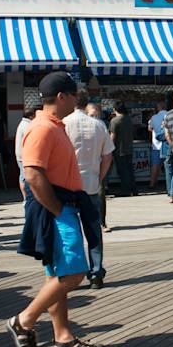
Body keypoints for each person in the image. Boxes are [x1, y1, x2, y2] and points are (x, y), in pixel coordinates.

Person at [10, 72, 103, 347]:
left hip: (61, 205)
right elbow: (32, 173)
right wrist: (56, 209)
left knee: (57, 274)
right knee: (75, 272)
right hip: (57, 208)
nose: (77, 100)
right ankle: (23, 320)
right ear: (62, 96)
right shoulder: (42, 128)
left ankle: (63, 338)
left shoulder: (53, 126)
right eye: (74, 94)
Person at [64, 90, 114, 289]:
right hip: (92, 185)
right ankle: (96, 273)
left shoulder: (63, 124)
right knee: (93, 231)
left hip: (68, 185)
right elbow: (108, 155)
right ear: (86, 104)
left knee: (70, 232)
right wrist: (99, 176)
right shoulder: (99, 125)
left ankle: (72, 272)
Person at [109, 101, 137, 197]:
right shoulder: (128, 119)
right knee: (130, 170)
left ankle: (125, 190)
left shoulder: (114, 121)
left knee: (122, 171)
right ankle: (134, 188)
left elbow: (112, 136)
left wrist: (109, 148)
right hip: (129, 148)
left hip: (119, 149)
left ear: (115, 109)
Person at [15, 106, 39, 203]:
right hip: (24, 156)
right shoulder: (27, 125)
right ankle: (26, 198)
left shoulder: (22, 124)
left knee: (22, 177)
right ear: (31, 115)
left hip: (20, 155)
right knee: (24, 178)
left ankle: (25, 198)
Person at [147, 100, 167, 189]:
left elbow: (149, 129)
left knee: (155, 165)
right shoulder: (169, 114)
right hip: (167, 145)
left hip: (156, 145)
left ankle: (152, 184)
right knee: (169, 166)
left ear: (158, 108)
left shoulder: (154, 117)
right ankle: (170, 185)